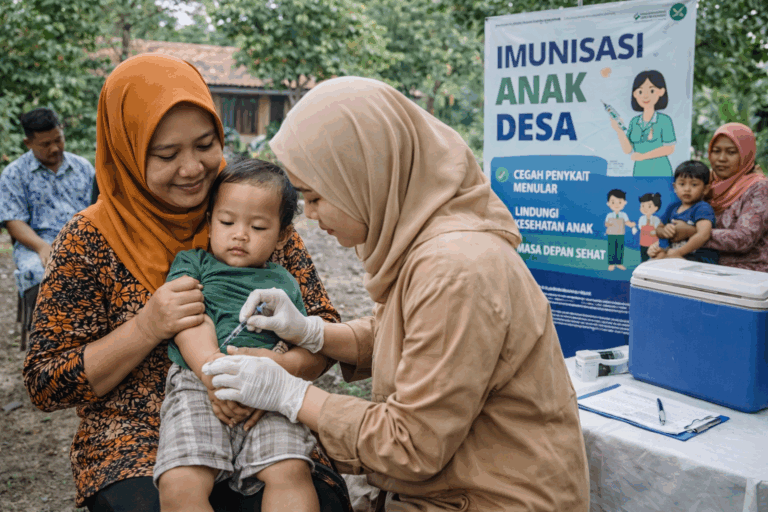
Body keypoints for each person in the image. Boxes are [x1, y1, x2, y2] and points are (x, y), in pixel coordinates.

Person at [203, 77, 590, 511]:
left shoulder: (455, 269)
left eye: (315, 197)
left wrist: (292, 395)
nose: (310, 215)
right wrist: (313, 333)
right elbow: (409, 333)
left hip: (491, 498)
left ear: (365, 177)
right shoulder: (424, 237)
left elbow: (410, 444)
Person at [22, 54, 351, 512]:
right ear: (128, 151)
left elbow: (325, 333)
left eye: (205, 144)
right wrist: (145, 327)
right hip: (138, 436)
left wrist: (274, 377)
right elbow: (46, 382)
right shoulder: (89, 238)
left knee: (315, 498)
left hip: (269, 412)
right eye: (166, 154)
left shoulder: (249, 210)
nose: (194, 168)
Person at [155, 159, 319, 512]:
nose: (240, 234)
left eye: (258, 226)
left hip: (268, 393)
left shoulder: (285, 283)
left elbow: (299, 342)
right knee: (180, 481)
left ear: (282, 235)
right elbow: (188, 320)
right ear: (210, 221)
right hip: (198, 382)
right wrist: (215, 372)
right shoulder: (194, 263)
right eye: (227, 222)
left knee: (290, 470)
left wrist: (272, 381)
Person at [0, 107, 95, 309]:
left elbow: (98, 208)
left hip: (83, 240)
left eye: (58, 140)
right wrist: (42, 247)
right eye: (45, 144)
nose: (54, 148)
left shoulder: (83, 167)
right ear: (28, 143)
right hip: (36, 245)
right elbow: (13, 221)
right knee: (41, 274)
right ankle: (42, 334)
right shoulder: (14, 174)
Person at [667, 123, 768, 272]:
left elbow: (743, 239)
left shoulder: (758, 187)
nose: (721, 158)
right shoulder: (707, 182)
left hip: (747, 274)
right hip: (703, 267)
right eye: (716, 151)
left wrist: (692, 232)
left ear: (745, 154)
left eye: (731, 152)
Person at [648, 161, 718, 264]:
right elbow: (659, 229)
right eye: (682, 184)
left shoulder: (702, 208)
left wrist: (678, 253)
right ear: (675, 187)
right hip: (674, 254)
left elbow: (703, 235)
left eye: (694, 185)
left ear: (705, 189)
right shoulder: (672, 208)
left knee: (663, 263)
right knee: (654, 260)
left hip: (696, 258)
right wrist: (664, 231)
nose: (687, 189)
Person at [610, 70, 676, 177]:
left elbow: (669, 148)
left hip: (660, 172)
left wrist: (643, 156)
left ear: (661, 91)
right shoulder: (634, 121)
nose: (645, 96)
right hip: (639, 172)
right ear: (635, 94)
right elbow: (628, 150)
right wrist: (619, 130)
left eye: (651, 91)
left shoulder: (665, 120)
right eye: (640, 92)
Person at [605, 189, 636, 271]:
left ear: (624, 203)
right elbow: (606, 224)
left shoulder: (623, 215)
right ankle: (611, 263)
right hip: (611, 234)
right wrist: (609, 224)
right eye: (613, 202)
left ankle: (619, 263)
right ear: (608, 203)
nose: (616, 205)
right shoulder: (609, 215)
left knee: (620, 249)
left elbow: (627, 222)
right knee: (611, 248)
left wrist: (632, 225)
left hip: (620, 234)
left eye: (619, 202)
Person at [637, 192, 662, 262]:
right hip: (643, 243)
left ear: (656, 208)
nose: (645, 209)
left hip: (653, 244)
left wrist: (654, 232)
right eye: (642, 206)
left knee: (653, 260)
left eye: (649, 206)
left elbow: (658, 230)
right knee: (643, 259)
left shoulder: (656, 219)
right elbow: (640, 228)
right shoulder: (641, 219)